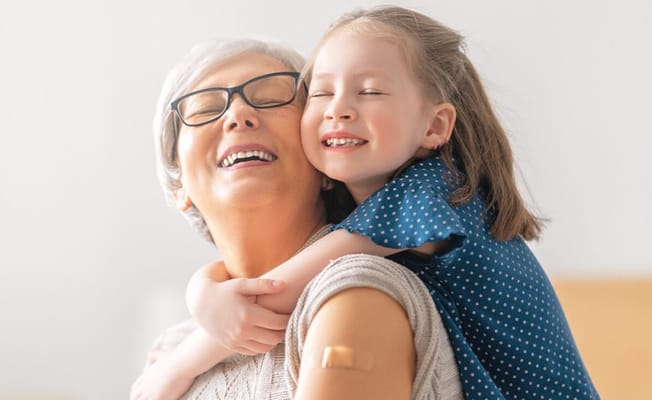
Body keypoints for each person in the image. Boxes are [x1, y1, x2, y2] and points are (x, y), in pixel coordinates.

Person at [178, 6, 598, 399]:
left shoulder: (434, 192)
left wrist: (179, 364)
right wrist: (202, 289)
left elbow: (277, 291)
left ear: (434, 126)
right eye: (321, 93)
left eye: (370, 91)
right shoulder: (376, 214)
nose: (337, 110)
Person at [130, 37, 461, 399]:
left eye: (271, 96)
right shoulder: (174, 343)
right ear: (178, 184)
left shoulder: (356, 292)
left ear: (326, 160)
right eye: (205, 107)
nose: (238, 114)